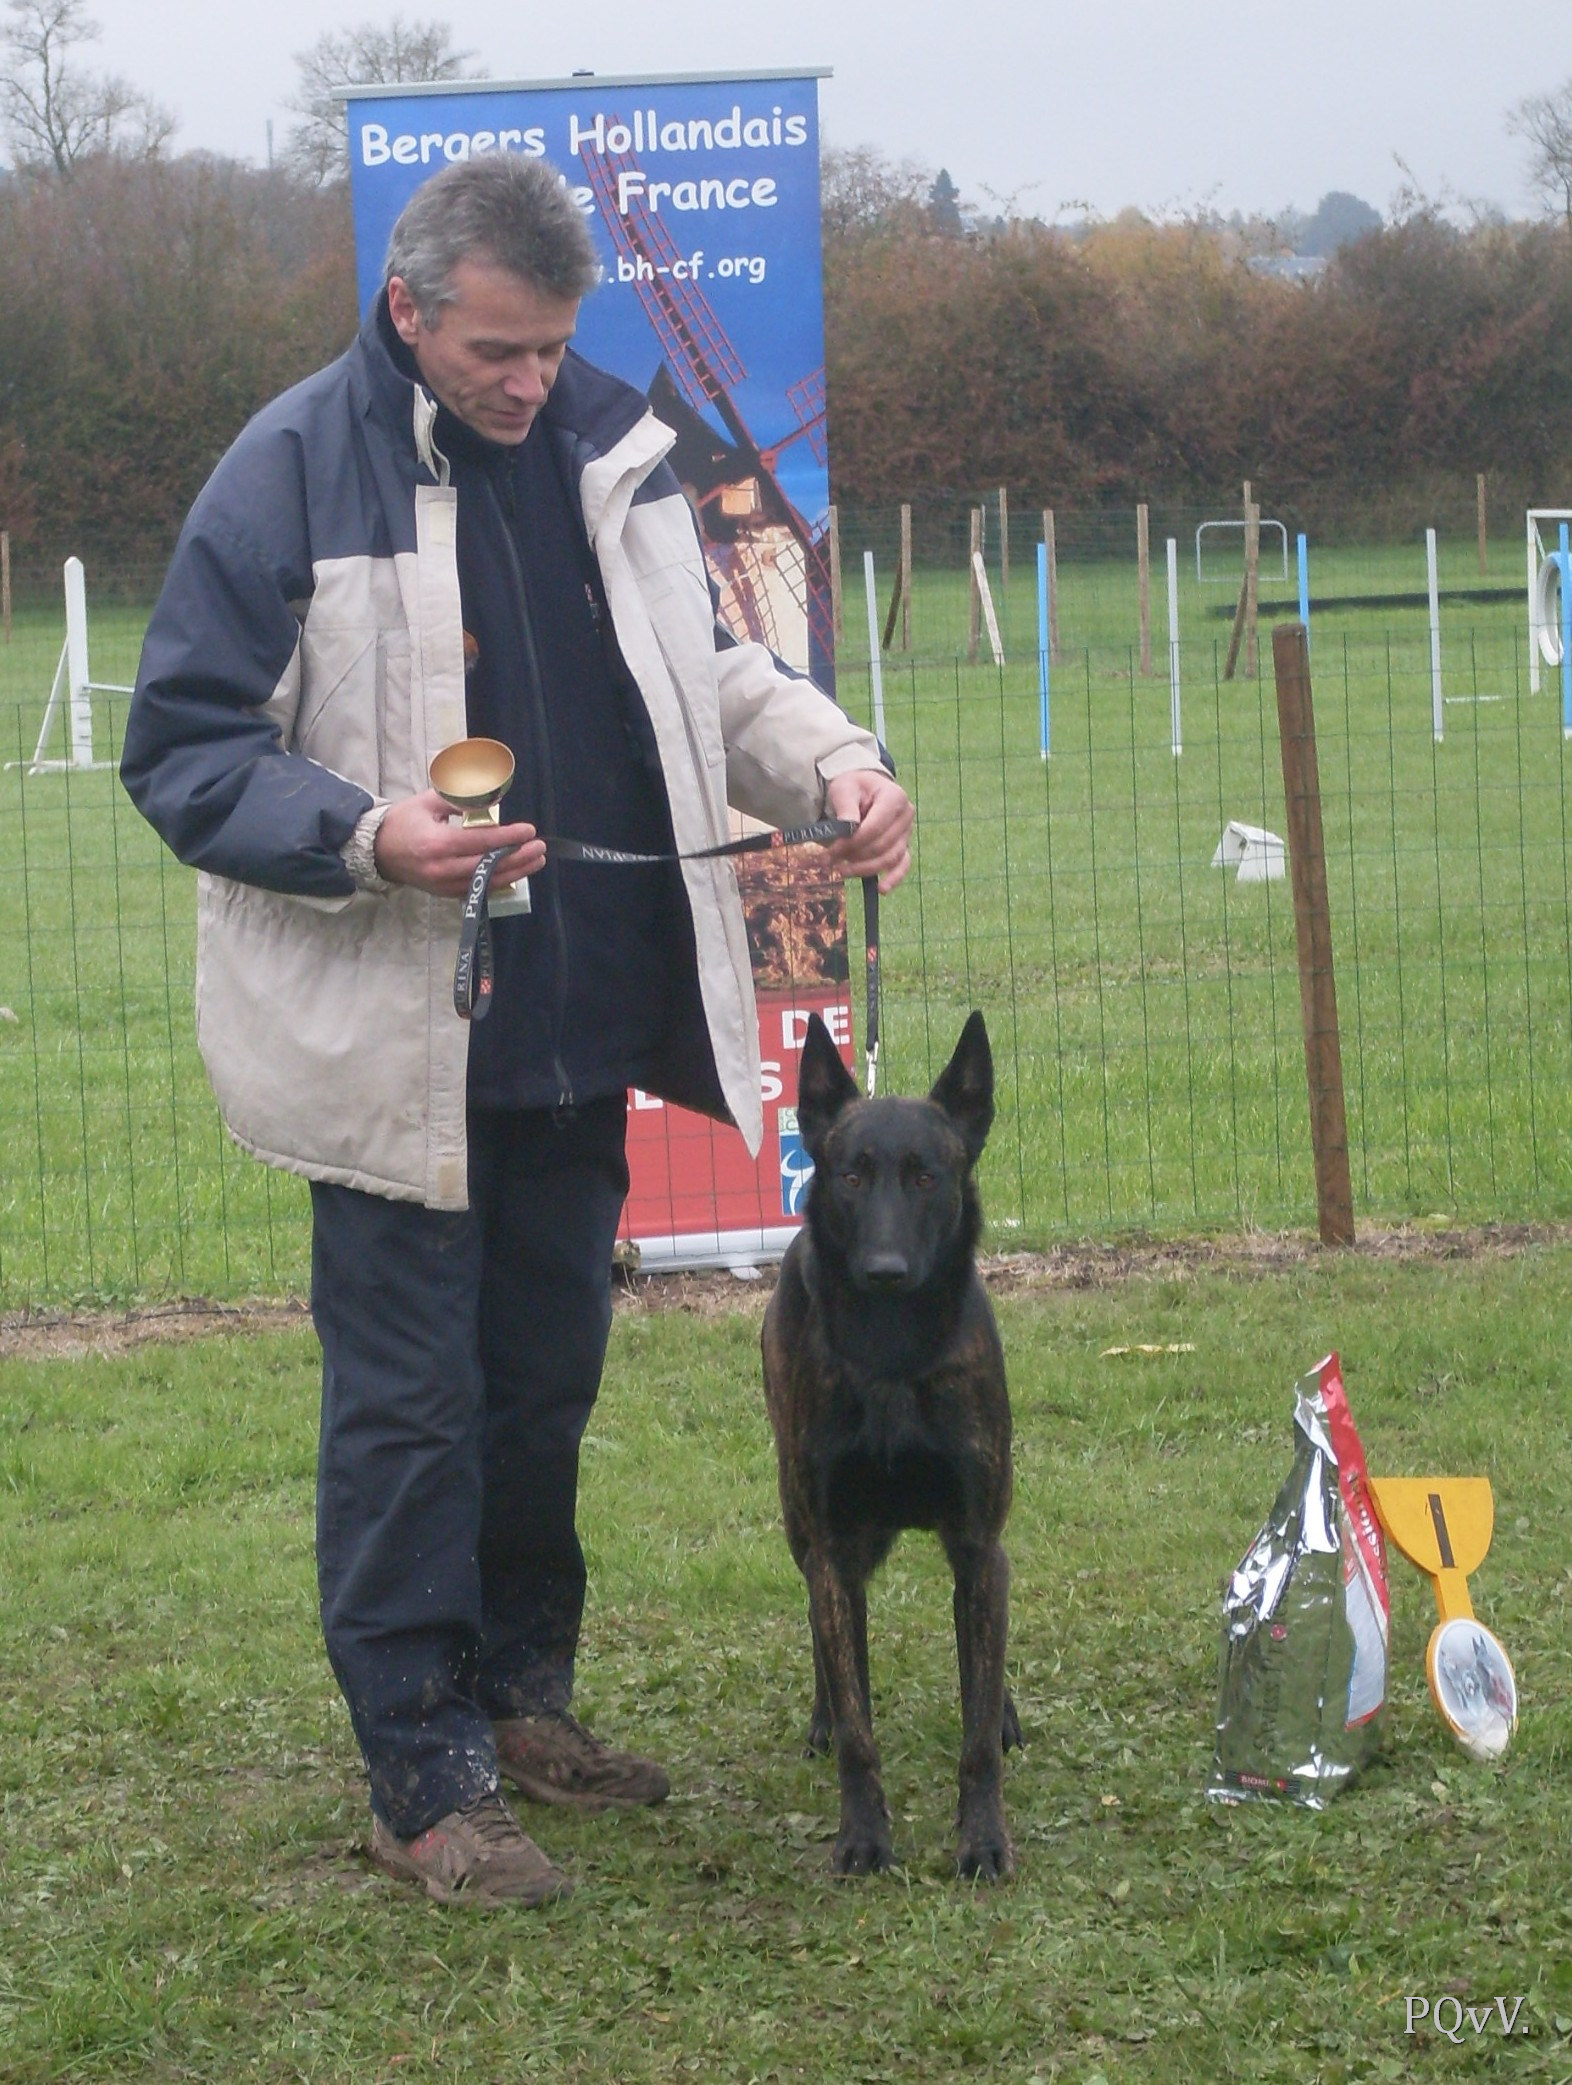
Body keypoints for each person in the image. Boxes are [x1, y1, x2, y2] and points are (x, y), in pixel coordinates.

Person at [120, 154, 912, 1909]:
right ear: (410, 309)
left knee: (542, 1392)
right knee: (411, 1413)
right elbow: (181, 747)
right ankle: (424, 1774)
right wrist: (365, 833)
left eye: (552, 347)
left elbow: (710, 673)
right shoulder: (287, 474)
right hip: (391, 1049)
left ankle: (521, 1703)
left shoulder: (610, 458)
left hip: (570, 1021)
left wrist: (837, 761)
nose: (529, 380)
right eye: (498, 348)